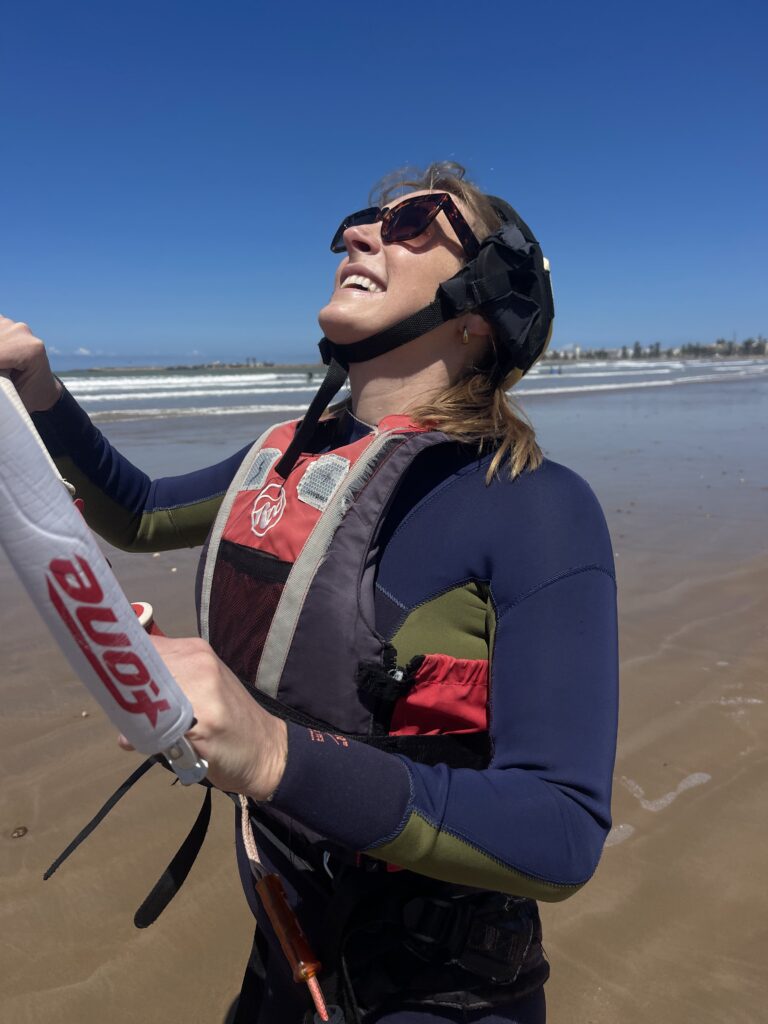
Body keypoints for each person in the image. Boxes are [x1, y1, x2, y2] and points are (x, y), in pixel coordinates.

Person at [0, 162, 618, 1024]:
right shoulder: (288, 460)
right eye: (364, 220)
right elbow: (139, 513)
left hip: (443, 992)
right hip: (287, 954)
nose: (360, 235)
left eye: (416, 224)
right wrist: (36, 386)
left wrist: (271, 751)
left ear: (482, 312)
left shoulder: (535, 506)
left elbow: (562, 833)